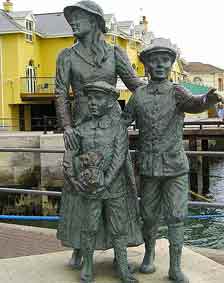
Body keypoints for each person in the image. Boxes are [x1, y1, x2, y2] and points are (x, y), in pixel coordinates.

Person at [122, 38, 222, 283]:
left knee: (177, 215)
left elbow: (195, 104)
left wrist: (208, 100)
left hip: (175, 166)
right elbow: (122, 122)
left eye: (165, 60)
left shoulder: (177, 91)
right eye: (154, 61)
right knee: (148, 215)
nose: (159, 65)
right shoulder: (138, 96)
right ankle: (148, 256)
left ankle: (175, 267)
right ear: (146, 65)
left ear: (170, 64)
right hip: (148, 166)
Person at [55, 0, 145, 267]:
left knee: (118, 184)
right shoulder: (66, 55)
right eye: (71, 18)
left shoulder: (115, 52)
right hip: (81, 128)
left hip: (111, 128)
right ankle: (80, 246)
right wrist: (67, 126)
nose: (73, 22)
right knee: (79, 186)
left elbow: (136, 86)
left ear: (95, 21)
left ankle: (122, 248)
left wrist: (128, 116)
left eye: (78, 17)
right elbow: (60, 93)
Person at [65, 81, 139, 283]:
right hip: (90, 190)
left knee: (118, 227)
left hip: (114, 188)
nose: (92, 102)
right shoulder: (81, 129)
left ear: (109, 102)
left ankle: (123, 267)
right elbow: (70, 155)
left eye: (98, 98)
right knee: (89, 226)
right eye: (89, 98)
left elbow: (119, 157)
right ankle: (88, 266)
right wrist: (73, 177)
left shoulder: (118, 129)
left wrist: (106, 181)